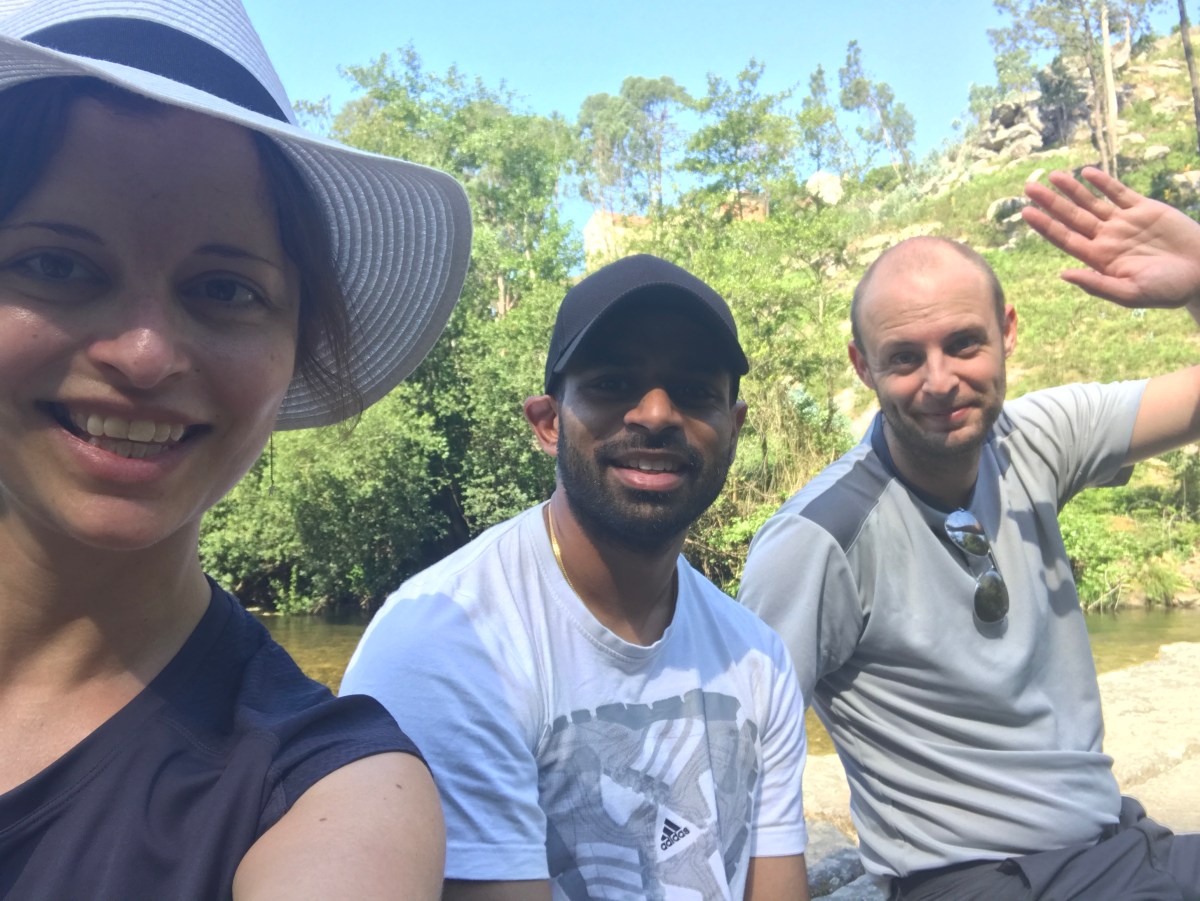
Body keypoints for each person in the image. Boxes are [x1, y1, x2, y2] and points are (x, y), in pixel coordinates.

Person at [0, 0, 473, 897]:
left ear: (297, 340)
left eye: (224, 288)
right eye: (57, 265)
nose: (144, 354)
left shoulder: (327, 796)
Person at [739, 167, 1200, 900]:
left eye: (963, 343)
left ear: (1007, 332)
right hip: (982, 879)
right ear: (862, 365)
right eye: (904, 357)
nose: (939, 380)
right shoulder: (818, 539)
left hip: (1116, 844)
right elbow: (742, 755)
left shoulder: (1033, 438)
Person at [342, 254, 811, 900]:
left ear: (733, 429)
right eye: (614, 383)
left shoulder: (759, 659)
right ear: (548, 422)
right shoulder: (445, 644)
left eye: (694, 390)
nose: (656, 413)